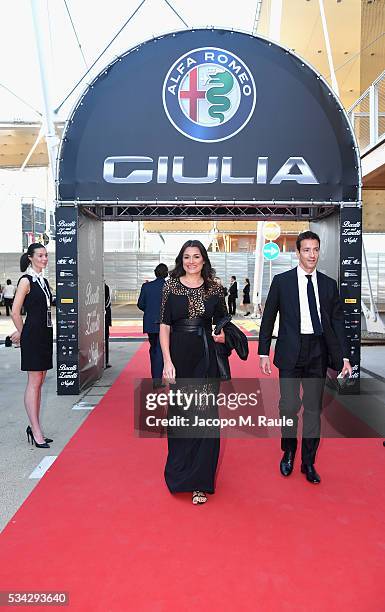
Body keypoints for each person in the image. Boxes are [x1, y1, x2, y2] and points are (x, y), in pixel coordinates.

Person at [258, 231, 352, 484]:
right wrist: (263, 352)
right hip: (290, 350)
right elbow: (268, 318)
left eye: (316, 249)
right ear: (298, 252)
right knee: (288, 406)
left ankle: (308, 462)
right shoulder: (282, 281)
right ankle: (288, 451)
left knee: (312, 409)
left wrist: (344, 356)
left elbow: (338, 322)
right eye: (307, 250)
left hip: (318, 352)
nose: (312, 255)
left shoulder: (329, 284)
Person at [159, 240, 227, 505]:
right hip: (179, 357)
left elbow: (223, 320)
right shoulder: (170, 286)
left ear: (203, 260)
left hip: (206, 357)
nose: (191, 261)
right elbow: (164, 326)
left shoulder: (215, 289)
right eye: (186, 257)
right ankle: (180, 475)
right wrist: (167, 360)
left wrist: (221, 336)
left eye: (196, 256)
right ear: (181, 260)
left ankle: (200, 482)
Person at [11, 243, 54, 449]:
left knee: (41, 380)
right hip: (33, 336)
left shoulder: (43, 281)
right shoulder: (25, 281)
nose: (44, 259)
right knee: (34, 381)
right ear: (30, 257)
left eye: (46, 255)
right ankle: (36, 431)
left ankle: (35, 427)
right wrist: (23, 333)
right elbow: (15, 311)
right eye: (40, 255)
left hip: (45, 334)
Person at [137, 263, 168, 388]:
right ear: (166, 274)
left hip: (150, 323)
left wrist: (150, 311)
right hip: (164, 323)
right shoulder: (169, 287)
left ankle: (155, 377)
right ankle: (157, 379)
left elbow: (140, 304)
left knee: (154, 349)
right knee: (161, 350)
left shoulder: (146, 286)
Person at [105, 282, 112, 369]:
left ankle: (105, 361)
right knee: (105, 338)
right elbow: (107, 302)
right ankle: (105, 361)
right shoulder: (105, 287)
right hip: (104, 317)